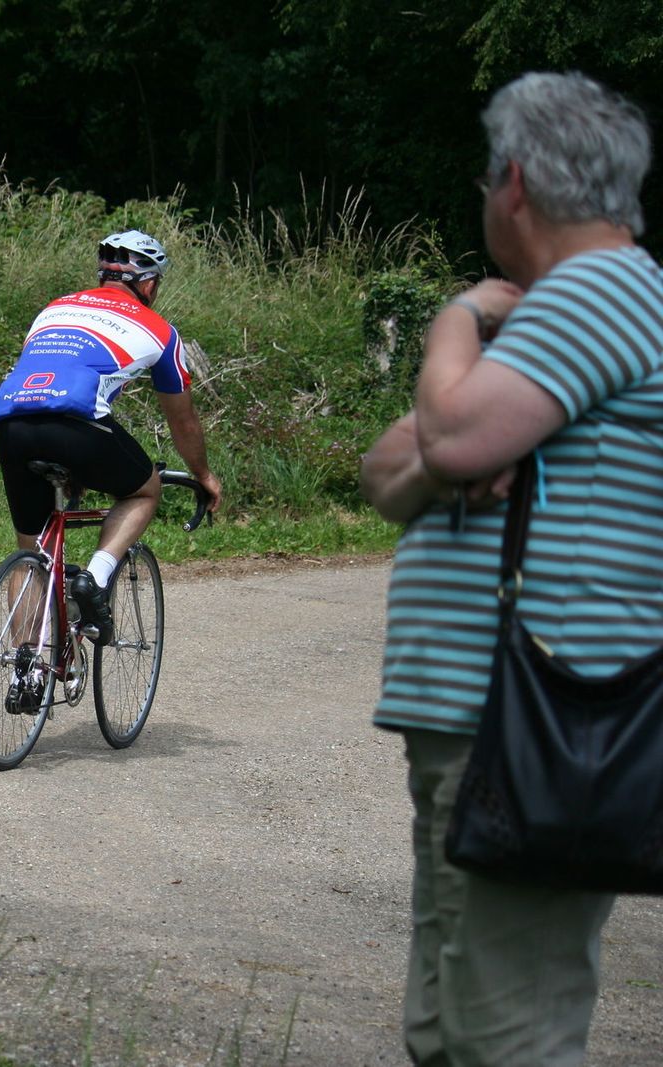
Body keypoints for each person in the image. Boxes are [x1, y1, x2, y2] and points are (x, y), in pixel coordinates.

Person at [360, 71, 663, 1066]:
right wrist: (448, 454)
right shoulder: (560, 309)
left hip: (540, 723)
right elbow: (387, 470)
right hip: (484, 719)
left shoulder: (600, 290)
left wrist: (454, 324)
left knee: (508, 1034)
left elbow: (445, 436)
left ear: (516, 182)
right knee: (447, 1027)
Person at [0, 230, 222, 638]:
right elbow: (182, 422)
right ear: (149, 284)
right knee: (145, 490)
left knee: (34, 553)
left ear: (103, 276)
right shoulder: (161, 331)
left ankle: (25, 663)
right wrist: (203, 474)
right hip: (77, 425)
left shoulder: (54, 309)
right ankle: (94, 578)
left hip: (12, 423)